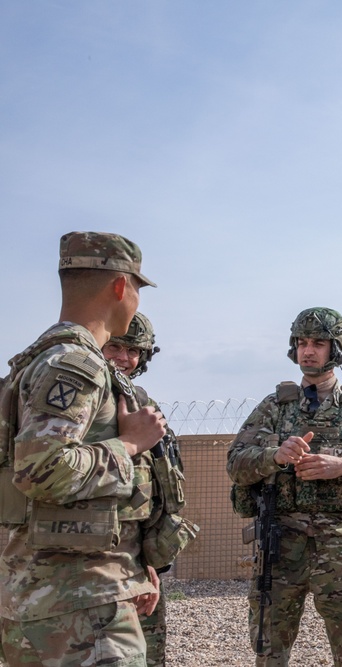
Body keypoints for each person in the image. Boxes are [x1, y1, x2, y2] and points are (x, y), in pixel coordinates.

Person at [0, 231, 165, 666]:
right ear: (119, 287)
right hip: (80, 609)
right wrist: (130, 442)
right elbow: (42, 469)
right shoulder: (77, 364)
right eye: (137, 290)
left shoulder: (37, 360)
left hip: (51, 595)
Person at [227, 307, 342, 667]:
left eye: (318, 343)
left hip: (338, 543)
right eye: (302, 343)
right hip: (281, 543)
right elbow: (235, 463)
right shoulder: (275, 406)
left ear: (336, 349)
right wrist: (275, 456)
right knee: (269, 646)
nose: (308, 351)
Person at [102, 312, 197, 667]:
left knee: (146, 654)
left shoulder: (143, 403)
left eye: (134, 351)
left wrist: (152, 560)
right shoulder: (81, 405)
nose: (124, 358)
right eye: (115, 346)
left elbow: (161, 485)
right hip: (92, 560)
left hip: (138, 558)